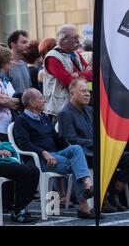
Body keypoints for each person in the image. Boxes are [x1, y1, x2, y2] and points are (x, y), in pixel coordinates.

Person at [13, 88, 98, 219]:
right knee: (78, 165)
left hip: (55, 155)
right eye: (41, 98)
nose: (44, 100)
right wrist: (43, 153)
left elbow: (57, 139)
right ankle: (84, 204)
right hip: (39, 160)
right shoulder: (21, 120)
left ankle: (85, 183)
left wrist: (68, 141)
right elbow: (23, 144)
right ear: (32, 103)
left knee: (76, 149)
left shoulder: (44, 118)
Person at [58, 78, 129, 212]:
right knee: (106, 158)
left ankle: (114, 192)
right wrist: (96, 144)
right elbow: (70, 139)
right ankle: (104, 198)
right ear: (72, 93)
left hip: (99, 149)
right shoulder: (65, 113)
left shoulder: (90, 110)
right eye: (83, 91)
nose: (87, 94)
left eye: (88, 91)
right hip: (84, 153)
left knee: (125, 157)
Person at [43, 25, 92, 119]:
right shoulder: (53, 57)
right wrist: (84, 75)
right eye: (75, 38)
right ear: (63, 40)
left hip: (77, 106)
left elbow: (93, 74)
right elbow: (69, 82)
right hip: (59, 110)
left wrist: (78, 74)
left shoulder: (75, 54)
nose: (78, 40)